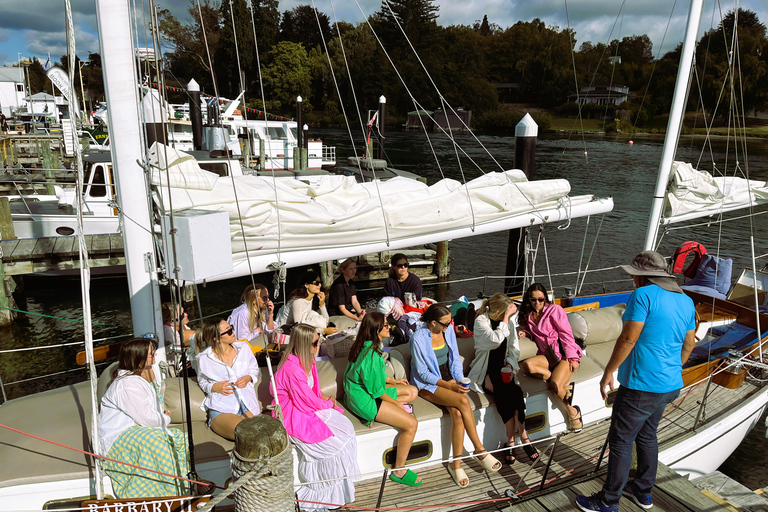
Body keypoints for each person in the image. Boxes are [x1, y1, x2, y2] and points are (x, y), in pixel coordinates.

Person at [576, 251, 696, 512]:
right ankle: (643, 493)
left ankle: (608, 501)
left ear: (642, 276)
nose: (632, 279)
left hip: (641, 385)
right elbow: (689, 344)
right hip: (670, 383)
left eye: (634, 274)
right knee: (648, 435)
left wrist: (609, 371)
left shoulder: (642, 296)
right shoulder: (685, 301)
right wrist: (674, 369)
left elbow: (629, 339)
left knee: (620, 440)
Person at [410, 304, 501, 488]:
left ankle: (456, 464)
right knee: (462, 400)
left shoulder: (448, 330)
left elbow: (454, 358)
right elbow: (423, 373)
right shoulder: (417, 338)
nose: (450, 325)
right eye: (445, 323)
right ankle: (479, 450)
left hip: (448, 377)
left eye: (450, 321)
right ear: (433, 323)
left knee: (457, 414)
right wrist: (448, 385)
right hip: (427, 384)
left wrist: (459, 379)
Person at [272, 324, 359, 510]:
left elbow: (313, 393)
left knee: (347, 431)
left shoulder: (308, 359)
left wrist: (323, 398)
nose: (318, 344)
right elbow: (305, 402)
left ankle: (335, 494)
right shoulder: (291, 369)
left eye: (318, 339)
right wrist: (328, 404)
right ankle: (319, 495)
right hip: (294, 414)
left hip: (307, 408)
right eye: (314, 342)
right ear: (303, 345)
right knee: (333, 445)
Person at [99, 338, 189, 498]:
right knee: (158, 443)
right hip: (119, 437)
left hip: (135, 429)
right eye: (150, 353)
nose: (154, 355)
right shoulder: (127, 384)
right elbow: (146, 419)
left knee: (181, 439)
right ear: (137, 358)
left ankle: (184, 483)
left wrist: (160, 414)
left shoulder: (137, 379)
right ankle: (169, 494)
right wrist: (165, 417)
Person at [343, 312, 421, 486]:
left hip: (363, 392)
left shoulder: (367, 346)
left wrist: (394, 381)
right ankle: (399, 471)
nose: (389, 327)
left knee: (412, 391)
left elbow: (374, 377)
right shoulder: (370, 355)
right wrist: (397, 404)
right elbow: (377, 392)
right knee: (411, 424)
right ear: (375, 329)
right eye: (385, 325)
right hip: (366, 400)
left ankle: (391, 410)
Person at [467, 293, 536, 464]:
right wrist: (506, 318)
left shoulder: (508, 323)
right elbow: (495, 340)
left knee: (514, 392)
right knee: (506, 390)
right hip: (486, 371)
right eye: (506, 313)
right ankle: (523, 439)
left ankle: (512, 440)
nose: (510, 316)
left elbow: (513, 349)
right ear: (499, 312)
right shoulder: (481, 321)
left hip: (504, 369)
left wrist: (512, 365)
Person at [518, 283, 584, 432]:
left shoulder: (555, 310)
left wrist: (572, 358)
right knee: (527, 365)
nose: (537, 303)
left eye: (541, 299)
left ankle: (573, 411)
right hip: (547, 355)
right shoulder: (529, 315)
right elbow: (534, 334)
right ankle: (562, 384)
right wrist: (526, 333)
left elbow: (566, 334)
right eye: (533, 300)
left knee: (554, 385)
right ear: (529, 299)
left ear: (545, 298)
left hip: (563, 354)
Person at [196, 317, 260, 441]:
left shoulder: (244, 348)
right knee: (246, 434)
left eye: (232, 328)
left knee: (260, 435)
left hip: (247, 403)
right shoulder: (204, 358)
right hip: (222, 407)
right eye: (229, 331)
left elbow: (254, 369)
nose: (233, 332)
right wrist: (214, 387)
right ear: (217, 339)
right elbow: (202, 381)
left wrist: (248, 378)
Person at [276, 270, 338, 336]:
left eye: (320, 282)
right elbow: (298, 327)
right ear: (306, 285)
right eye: (316, 283)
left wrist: (322, 305)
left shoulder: (315, 298)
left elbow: (325, 321)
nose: (319, 285)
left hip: (301, 327)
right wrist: (323, 331)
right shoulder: (296, 301)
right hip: (284, 331)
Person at [162, 302, 194, 371]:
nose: (186, 314)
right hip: (178, 368)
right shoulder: (169, 332)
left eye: (184, 311)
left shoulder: (182, 325)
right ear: (171, 322)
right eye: (182, 315)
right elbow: (192, 336)